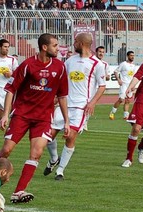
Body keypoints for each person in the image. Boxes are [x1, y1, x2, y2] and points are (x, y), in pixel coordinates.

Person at [0, 33, 70, 203]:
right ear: (44, 47)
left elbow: (62, 96)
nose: (58, 49)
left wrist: (67, 121)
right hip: (22, 115)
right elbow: (11, 89)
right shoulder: (28, 65)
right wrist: (6, 114)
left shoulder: (60, 67)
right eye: (55, 45)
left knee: (36, 153)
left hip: (43, 118)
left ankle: (19, 191)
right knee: (6, 151)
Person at [44, 32, 106, 180]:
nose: (74, 44)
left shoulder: (97, 64)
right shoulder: (70, 61)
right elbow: (61, 81)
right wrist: (56, 98)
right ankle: (54, 159)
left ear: (82, 44)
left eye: (76, 41)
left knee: (70, 137)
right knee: (48, 136)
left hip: (80, 107)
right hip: (65, 104)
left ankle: (60, 170)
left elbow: (102, 86)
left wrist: (92, 103)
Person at [121, 59, 143, 167]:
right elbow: (137, 76)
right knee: (136, 128)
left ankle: (141, 148)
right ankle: (128, 158)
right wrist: (130, 87)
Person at [84, 45, 110, 131]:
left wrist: (105, 76)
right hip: (88, 87)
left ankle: (85, 123)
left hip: (97, 88)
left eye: (103, 52)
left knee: (91, 105)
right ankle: (82, 123)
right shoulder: (90, 61)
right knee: (85, 104)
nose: (101, 53)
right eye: (100, 52)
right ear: (96, 52)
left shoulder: (105, 64)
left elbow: (107, 76)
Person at [109, 51, 136, 120]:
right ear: (127, 56)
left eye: (133, 55)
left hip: (130, 85)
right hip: (124, 84)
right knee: (121, 99)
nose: (132, 57)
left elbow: (134, 76)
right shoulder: (123, 64)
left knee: (128, 101)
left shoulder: (133, 66)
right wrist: (118, 79)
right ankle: (112, 113)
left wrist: (133, 85)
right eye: (131, 55)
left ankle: (126, 115)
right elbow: (115, 71)